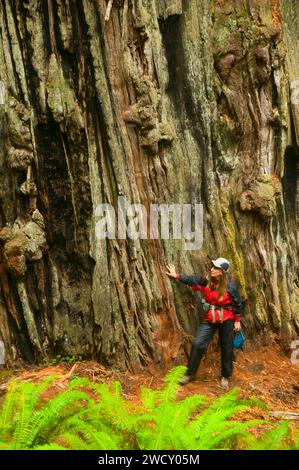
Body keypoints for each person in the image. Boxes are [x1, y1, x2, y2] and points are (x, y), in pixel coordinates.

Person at [166, 257, 243, 388]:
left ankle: (225, 376)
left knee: (226, 347)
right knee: (198, 344)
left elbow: (238, 304)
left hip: (227, 319)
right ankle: (190, 373)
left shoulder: (230, 286)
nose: (212, 269)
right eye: (212, 267)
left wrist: (237, 321)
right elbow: (192, 280)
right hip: (210, 319)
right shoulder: (206, 281)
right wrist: (177, 276)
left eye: (215, 268)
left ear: (222, 272)